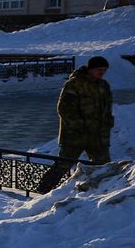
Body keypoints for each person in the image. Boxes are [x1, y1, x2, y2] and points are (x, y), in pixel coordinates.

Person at [36, 56, 115, 193]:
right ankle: (43, 191)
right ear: (90, 69)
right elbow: (64, 110)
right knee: (63, 165)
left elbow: (107, 109)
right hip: (75, 136)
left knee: (104, 166)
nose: (102, 72)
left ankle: (104, 191)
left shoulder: (103, 85)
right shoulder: (74, 84)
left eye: (104, 70)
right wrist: (80, 126)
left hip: (98, 136)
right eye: (99, 69)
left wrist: (107, 123)